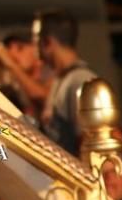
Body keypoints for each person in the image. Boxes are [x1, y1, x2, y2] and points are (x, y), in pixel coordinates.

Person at [35, 10, 97, 155]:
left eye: (36, 40)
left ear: (47, 42)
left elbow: (89, 139)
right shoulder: (61, 80)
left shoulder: (80, 80)